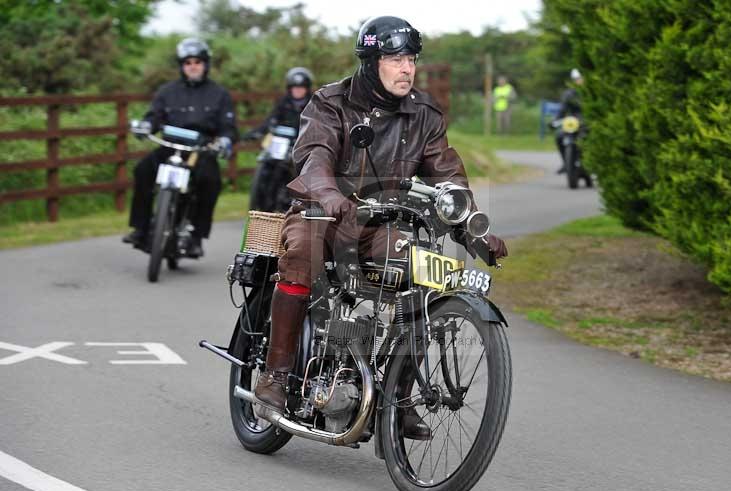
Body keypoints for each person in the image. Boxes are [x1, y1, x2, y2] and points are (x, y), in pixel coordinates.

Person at [251, 16, 508, 439]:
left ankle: (398, 396)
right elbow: (314, 156)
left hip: (382, 224)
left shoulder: (423, 113)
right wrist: (330, 193)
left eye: (411, 58)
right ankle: (275, 376)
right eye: (395, 58)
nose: (407, 67)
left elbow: (448, 178)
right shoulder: (330, 102)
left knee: (425, 276)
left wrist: (471, 231)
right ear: (371, 62)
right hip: (322, 214)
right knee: (301, 254)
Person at [123, 38, 238, 257]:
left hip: (200, 151)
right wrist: (146, 126)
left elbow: (228, 127)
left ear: (205, 64)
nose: (192, 66)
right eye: (187, 62)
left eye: (197, 61)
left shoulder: (220, 94)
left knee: (211, 181)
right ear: (181, 66)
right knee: (143, 170)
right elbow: (154, 116)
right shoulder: (167, 91)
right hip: (169, 147)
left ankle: (196, 237)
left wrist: (224, 140)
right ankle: (141, 228)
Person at [243, 67, 313, 212]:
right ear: (289, 88)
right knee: (267, 164)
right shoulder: (284, 102)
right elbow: (271, 121)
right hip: (282, 145)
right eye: (295, 88)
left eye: (301, 88)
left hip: (303, 145)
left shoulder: (314, 104)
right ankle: (262, 203)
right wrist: (256, 133)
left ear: (306, 89)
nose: (298, 91)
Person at [556, 68, 583, 174]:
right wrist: (556, 120)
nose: (578, 81)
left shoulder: (591, 91)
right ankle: (566, 163)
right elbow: (562, 109)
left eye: (580, 78)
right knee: (559, 136)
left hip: (587, 123)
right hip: (573, 123)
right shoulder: (568, 94)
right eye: (576, 79)